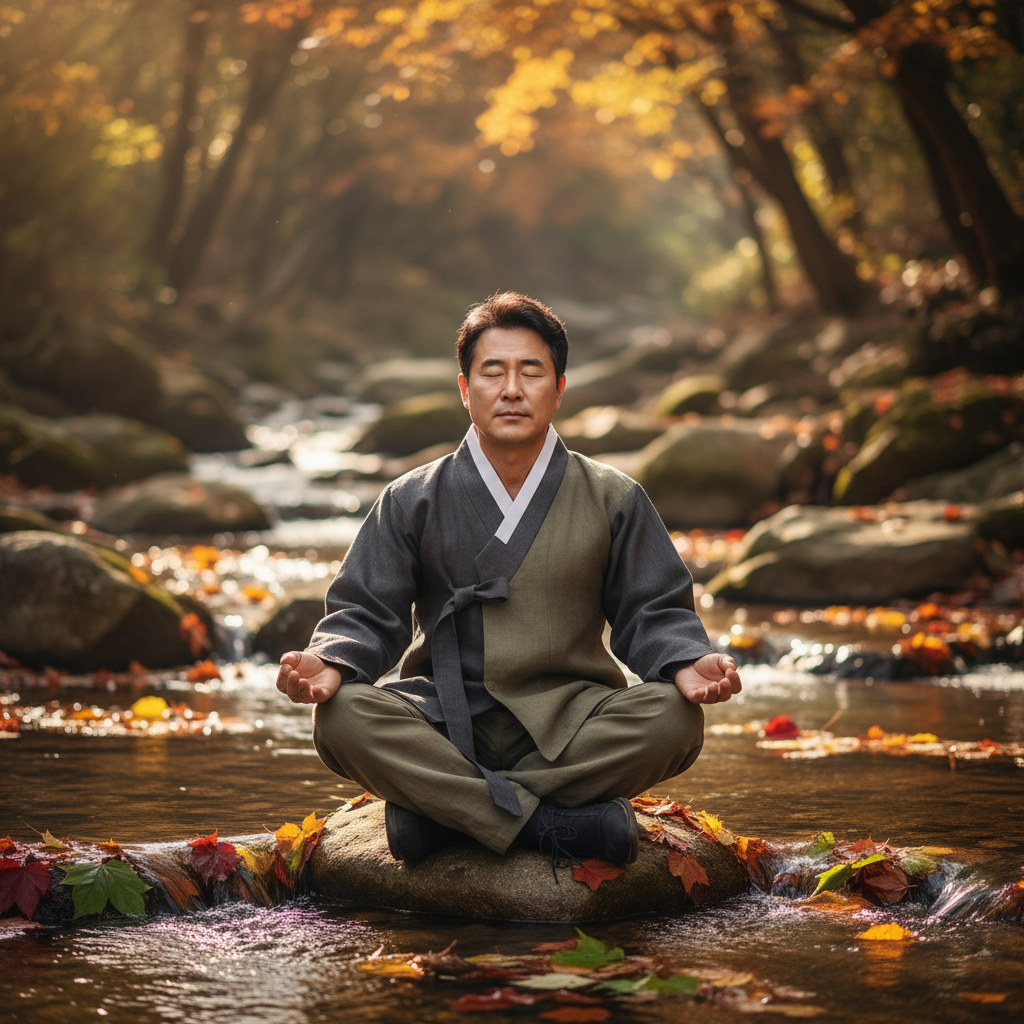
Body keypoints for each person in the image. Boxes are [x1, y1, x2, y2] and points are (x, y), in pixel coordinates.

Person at [276, 292, 741, 873]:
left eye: (531, 372)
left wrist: (685, 659)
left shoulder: (611, 496)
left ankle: (445, 812)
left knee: (676, 720)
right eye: (493, 372)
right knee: (341, 718)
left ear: (560, 388)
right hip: (444, 716)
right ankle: (552, 824)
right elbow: (367, 610)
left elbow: (654, 609)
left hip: (571, 717)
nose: (512, 390)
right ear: (466, 389)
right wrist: (333, 660)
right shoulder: (411, 498)